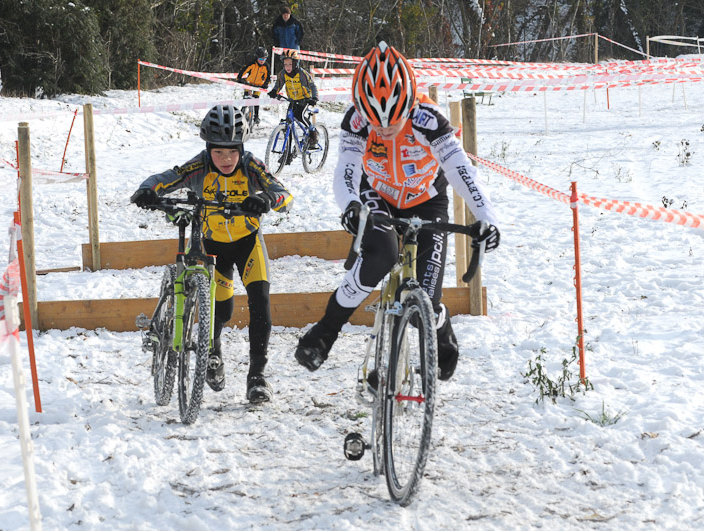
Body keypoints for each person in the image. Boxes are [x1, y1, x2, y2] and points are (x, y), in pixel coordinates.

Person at [293, 42, 501, 381]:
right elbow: (347, 170)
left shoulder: (428, 119)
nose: (385, 128)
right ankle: (325, 332)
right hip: (377, 195)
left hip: (427, 199)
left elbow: (461, 170)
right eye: (376, 121)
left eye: (393, 120)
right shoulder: (356, 120)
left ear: (410, 103)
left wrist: (486, 217)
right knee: (380, 256)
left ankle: (439, 326)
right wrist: (351, 205)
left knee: (425, 303)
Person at [131, 105, 293, 404]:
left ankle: (257, 377)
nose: (226, 158)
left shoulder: (252, 166)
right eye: (218, 152)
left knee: (260, 301)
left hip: (248, 243)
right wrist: (147, 190)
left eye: (232, 151)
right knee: (223, 310)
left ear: (241, 148)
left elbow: (284, 194)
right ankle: (213, 351)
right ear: (208, 148)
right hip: (213, 247)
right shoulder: (199, 166)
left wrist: (267, 198)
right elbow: (167, 178)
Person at [267, 49, 319, 145]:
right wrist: (274, 92)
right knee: (288, 122)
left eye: (290, 64)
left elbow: (312, 86)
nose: (287, 67)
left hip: (304, 99)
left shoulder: (302, 74)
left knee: (299, 116)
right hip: (292, 100)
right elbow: (278, 85)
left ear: (295, 63)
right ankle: (287, 150)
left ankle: (313, 131)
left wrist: (314, 98)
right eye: (285, 64)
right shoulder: (282, 74)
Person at [236, 46, 271, 125]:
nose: (262, 61)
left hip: (258, 85)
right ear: (256, 57)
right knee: (246, 99)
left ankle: (256, 116)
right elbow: (243, 70)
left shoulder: (266, 67)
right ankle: (242, 113)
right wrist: (239, 78)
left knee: (256, 99)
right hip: (249, 84)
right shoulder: (252, 64)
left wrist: (265, 84)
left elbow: (268, 77)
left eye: (264, 59)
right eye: (261, 59)